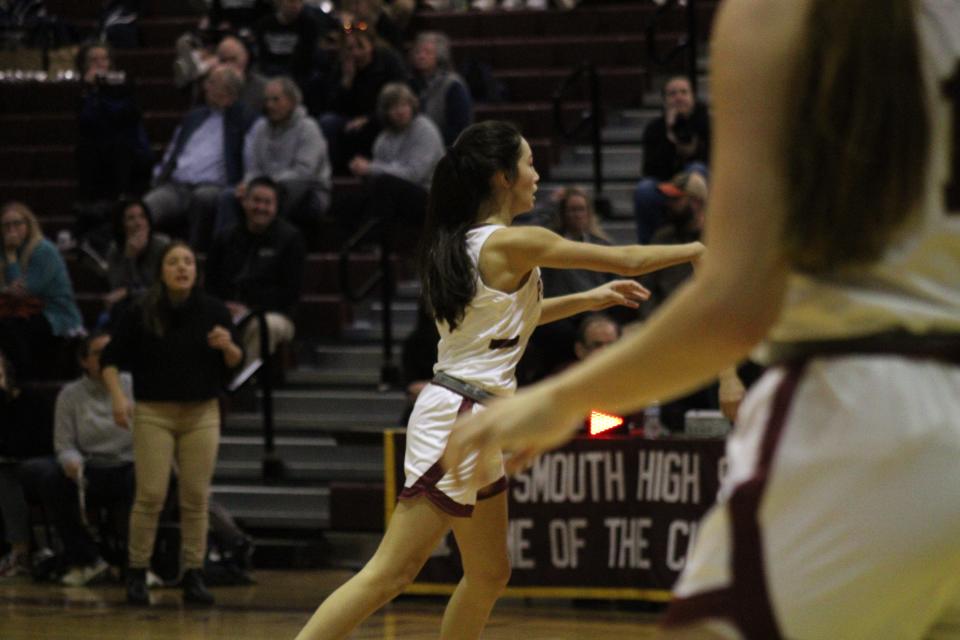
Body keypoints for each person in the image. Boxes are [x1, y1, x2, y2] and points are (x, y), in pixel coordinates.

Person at [444, 1, 960, 638]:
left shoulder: (776, 16)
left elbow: (733, 304)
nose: (538, 173)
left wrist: (565, 399)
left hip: (872, 412)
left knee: (412, 568)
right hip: (461, 397)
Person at [294, 120, 703, 639]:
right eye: (529, 164)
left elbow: (510, 323)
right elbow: (627, 257)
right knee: (391, 573)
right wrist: (696, 251)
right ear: (501, 177)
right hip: (459, 415)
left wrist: (589, 300)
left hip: (475, 414)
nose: (537, 175)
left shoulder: (469, 245)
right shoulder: (511, 243)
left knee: (489, 574)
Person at [100, 241, 243, 606]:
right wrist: (118, 397)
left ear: (196, 270)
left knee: (195, 497)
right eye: (173, 262)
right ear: (161, 271)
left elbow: (234, 363)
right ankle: (137, 572)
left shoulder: (213, 310)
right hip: (154, 412)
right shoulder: (140, 311)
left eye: (188, 262)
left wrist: (228, 347)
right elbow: (110, 359)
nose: (182, 268)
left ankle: (193, 573)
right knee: (150, 496)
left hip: (202, 412)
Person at [18, 333, 135, 586]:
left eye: (112, 352)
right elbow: (64, 444)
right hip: (89, 467)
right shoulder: (70, 395)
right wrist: (71, 461)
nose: (107, 359)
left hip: (127, 463)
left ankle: (136, 560)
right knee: (50, 477)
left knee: (150, 478)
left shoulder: (133, 385)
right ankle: (87, 557)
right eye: (99, 353)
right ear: (84, 361)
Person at [144, 65, 258, 251]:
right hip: (177, 186)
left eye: (212, 83)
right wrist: (159, 176)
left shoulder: (244, 120)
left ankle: (194, 256)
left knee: (202, 199)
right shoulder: (194, 117)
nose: (206, 87)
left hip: (214, 187)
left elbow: (251, 158)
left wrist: (246, 182)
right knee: (146, 207)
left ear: (228, 91)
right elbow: (173, 151)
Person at [206, 176, 305, 371]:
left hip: (274, 315)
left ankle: (243, 386)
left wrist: (249, 309)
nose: (261, 207)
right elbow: (211, 284)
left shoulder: (291, 239)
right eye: (256, 201)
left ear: (276, 207)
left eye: (267, 202)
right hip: (227, 312)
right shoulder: (224, 238)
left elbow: (290, 293)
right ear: (244, 202)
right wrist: (224, 307)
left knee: (264, 327)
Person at [215, 77, 332, 237]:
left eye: (276, 100)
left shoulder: (308, 128)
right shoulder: (261, 129)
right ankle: (226, 251)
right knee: (230, 196)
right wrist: (249, 185)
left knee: (274, 200)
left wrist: (267, 186)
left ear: (292, 101)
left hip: (306, 193)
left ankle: (270, 252)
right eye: (267, 100)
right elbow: (253, 168)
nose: (270, 105)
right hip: (266, 189)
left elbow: (304, 173)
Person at [344, 82, 444, 241]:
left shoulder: (424, 129)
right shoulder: (383, 139)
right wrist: (363, 172)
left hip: (430, 196)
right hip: (396, 197)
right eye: (393, 107)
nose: (400, 111)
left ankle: (376, 242)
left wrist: (370, 168)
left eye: (404, 105)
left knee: (386, 185)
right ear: (385, 112)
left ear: (412, 106)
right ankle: (355, 247)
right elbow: (378, 178)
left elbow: (413, 174)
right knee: (348, 200)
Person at [0, 202, 85, 379]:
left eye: (17, 223)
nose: (11, 230)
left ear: (29, 225)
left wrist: (10, 255)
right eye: (6, 225)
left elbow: (24, 292)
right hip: (24, 311)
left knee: (11, 328)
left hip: (55, 314)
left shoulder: (44, 250)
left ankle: (21, 380)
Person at [633, 75, 710, 244]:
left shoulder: (707, 123)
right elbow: (650, 171)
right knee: (644, 189)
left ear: (693, 97)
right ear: (665, 100)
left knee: (696, 170)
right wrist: (670, 135)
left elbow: (714, 162)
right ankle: (650, 249)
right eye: (672, 93)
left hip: (702, 185)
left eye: (684, 92)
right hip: (668, 186)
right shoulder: (654, 129)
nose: (679, 97)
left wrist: (691, 148)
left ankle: (702, 234)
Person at [74, 41, 152, 206]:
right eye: (93, 60)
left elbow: (124, 115)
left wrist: (102, 90)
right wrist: (90, 91)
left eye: (104, 59)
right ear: (84, 64)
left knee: (120, 147)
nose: (99, 64)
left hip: (123, 145)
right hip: (94, 146)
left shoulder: (123, 84)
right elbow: (86, 121)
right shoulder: (82, 89)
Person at [0, 350, 54, 578]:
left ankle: (20, 551)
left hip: (35, 462)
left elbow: (42, 441)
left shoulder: (30, 398)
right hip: (7, 462)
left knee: (5, 473)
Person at [102, 199, 170, 329]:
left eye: (142, 217)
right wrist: (130, 257)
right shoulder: (115, 251)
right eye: (131, 218)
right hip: (129, 307)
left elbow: (162, 289)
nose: (138, 223)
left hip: (160, 304)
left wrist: (129, 292)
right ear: (121, 225)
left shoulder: (162, 246)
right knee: (121, 309)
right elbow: (117, 290)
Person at [408, 31, 473, 146]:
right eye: (417, 52)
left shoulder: (452, 85)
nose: (421, 56)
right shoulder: (409, 82)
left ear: (440, 56)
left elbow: (460, 126)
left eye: (427, 52)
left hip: (445, 146)